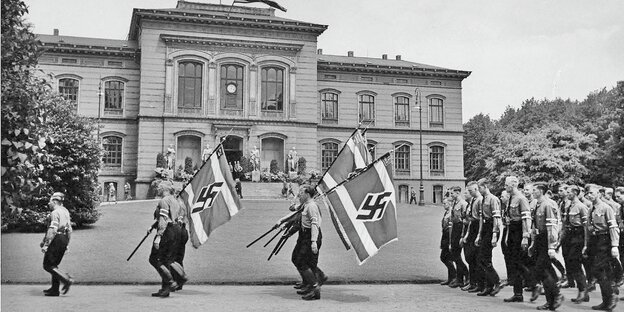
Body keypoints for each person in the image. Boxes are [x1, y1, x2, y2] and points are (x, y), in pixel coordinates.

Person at [529, 183, 564, 310]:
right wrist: (533, 243)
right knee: (545, 271)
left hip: (546, 239)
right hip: (539, 239)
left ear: (541, 191)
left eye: (535, 190)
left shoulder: (548, 204)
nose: (533, 192)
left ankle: (557, 295)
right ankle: (551, 301)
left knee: (540, 270)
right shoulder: (537, 204)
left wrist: (551, 246)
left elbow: (552, 227)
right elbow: (534, 226)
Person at [148, 181, 187, 297]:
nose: (157, 189)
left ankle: (171, 282)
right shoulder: (176, 201)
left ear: (164, 189)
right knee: (167, 260)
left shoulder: (164, 201)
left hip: (167, 231)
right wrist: (152, 226)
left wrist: (158, 236)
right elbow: (172, 217)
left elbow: (164, 219)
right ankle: (167, 288)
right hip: (176, 230)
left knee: (155, 259)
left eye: (159, 187)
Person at [585, 184, 619, 311]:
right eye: (587, 193)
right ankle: (607, 300)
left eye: (592, 193)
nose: (589, 195)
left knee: (597, 269)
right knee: (601, 270)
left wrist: (615, 245)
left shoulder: (606, 208)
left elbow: (613, 227)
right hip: (595, 240)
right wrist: (586, 245)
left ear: (599, 194)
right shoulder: (591, 209)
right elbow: (588, 229)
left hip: (605, 240)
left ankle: (610, 298)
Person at [501, 176, 532, 303]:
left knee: (519, 262)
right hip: (512, 230)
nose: (504, 186)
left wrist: (525, 237)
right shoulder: (510, 198)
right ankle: (518, 294)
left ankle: (534, 283)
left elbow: (526, 218)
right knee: (514, 262)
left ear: (513, 185)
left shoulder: (521, 198)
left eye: (506, 184)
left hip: (519, 231)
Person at [291, 185, 325, 300]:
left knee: (302, 261)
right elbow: (294, 209)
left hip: (311, 236)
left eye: (301, 192)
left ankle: (315, 288)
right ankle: (310, 283)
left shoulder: (311, 206)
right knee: (300, 260)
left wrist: (313, 241)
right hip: (305, 235)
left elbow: (315, 224)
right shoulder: (305, 205)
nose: (299, 194)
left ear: (307, 194)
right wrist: (295, 201)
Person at [560, 185, 590, 303]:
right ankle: (583, 291)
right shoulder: (569, 205)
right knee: (571, 263)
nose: (567, 194)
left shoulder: (581, 207)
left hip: (578, 236)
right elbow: (565, 224)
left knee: (575, 263)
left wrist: (586, 244)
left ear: (575, 193)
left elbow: (586, 226)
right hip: (569, 236)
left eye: (569, 192)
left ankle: (583, 291)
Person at [40, 192, 74, 296]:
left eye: (50, 201)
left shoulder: (55, 213)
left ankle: (66, 279)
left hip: (56, 239)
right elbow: (69, 229)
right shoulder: (65, 211)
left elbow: (53, 229)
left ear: (55, 201)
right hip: (63, 239)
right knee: (54, 265)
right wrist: (67, 243)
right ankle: (55, 290)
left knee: (47, 266)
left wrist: (46, 244)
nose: (48, 203)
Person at [474, 178, 503, 296]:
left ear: (485, 186)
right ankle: (490, 285)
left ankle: (496, 281)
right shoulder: (482, 200)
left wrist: (495, 235)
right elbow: (481, 219)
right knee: (484, 258)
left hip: (492, 228)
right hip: (486, 227)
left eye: (479, 188)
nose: (478, 190)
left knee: (483, 257)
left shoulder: (493, 199)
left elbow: (496, 218)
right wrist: (479, 235)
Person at [461, 181, 483, 293]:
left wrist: (478, 234)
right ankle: (473, 282)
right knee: (470, 258)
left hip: (477, 229)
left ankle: (479, 283)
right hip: (471, 228)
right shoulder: (473, 201)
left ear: (476, 189)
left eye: (469, 191)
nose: (467, 194)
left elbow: (479, 219)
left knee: (476, 258)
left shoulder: (480, 200)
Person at [448, 186, 469, 288]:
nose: (450, 195)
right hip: (455, 228)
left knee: (457, 255)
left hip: (460, 229)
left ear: (457, 193)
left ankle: (465, 275)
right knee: (455, 255)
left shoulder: (463, 204)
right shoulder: (454, 203)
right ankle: (459, 278)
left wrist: (462, 235)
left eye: (452, 193)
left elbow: (465, 221)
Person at [440, 197, 456, 286]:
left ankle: (454, 276)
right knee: (445, 258)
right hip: (444, 236)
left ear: (450, 203)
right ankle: (451, 277)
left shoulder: (450, 214)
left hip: (448, 237)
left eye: (445, 203)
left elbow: (450, 228)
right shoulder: (446, 213)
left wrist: (450, 242)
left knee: (446, 257)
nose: (443, 205)